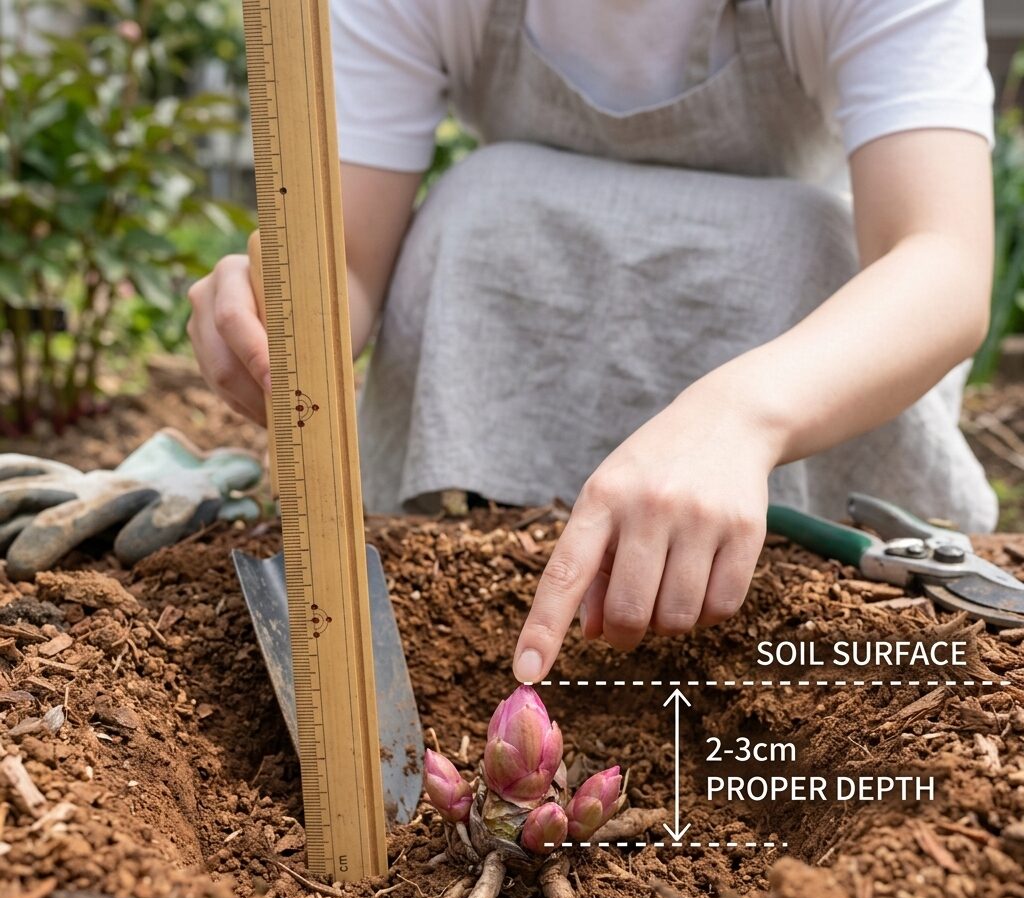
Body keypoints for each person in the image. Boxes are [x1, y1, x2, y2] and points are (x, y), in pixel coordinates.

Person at [188, 0, 998, 685]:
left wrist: (738, 417)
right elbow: (352, 262)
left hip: (791, 371)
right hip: (516, 349)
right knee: (478, 205)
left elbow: (942, 263)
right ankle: (474, 577)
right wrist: (283, 321)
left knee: (806, 237)